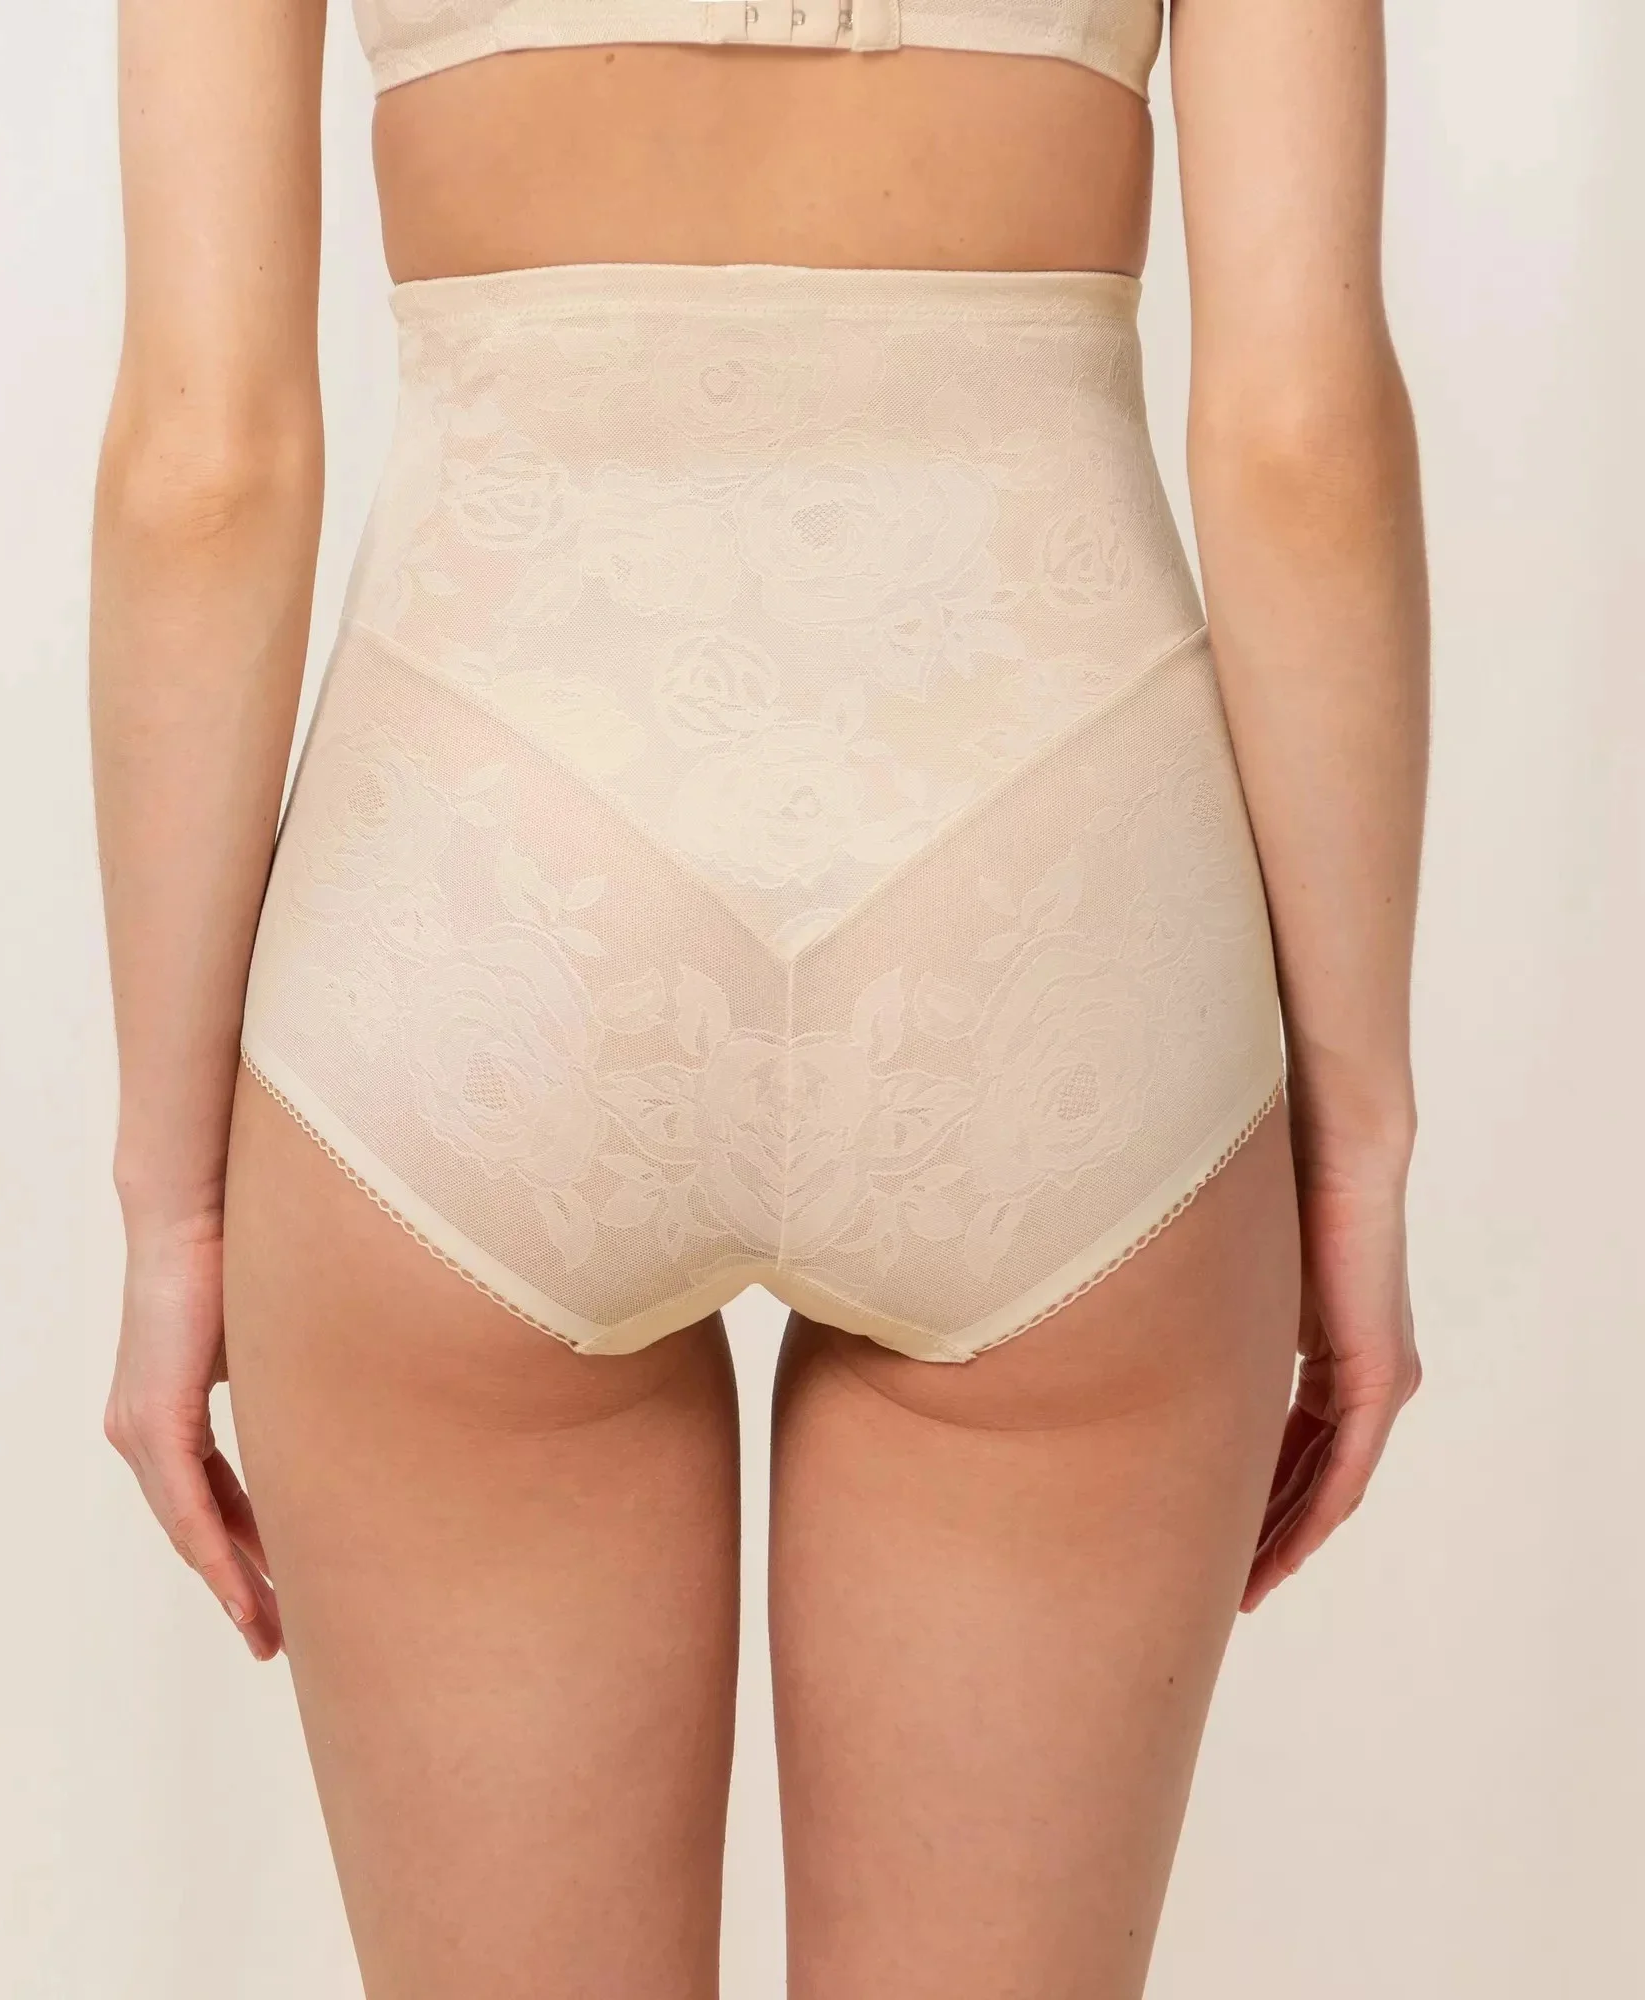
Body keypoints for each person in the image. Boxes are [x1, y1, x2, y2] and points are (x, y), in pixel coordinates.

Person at [90, 0, 1427, 1991]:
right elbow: (1300, 437)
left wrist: (173, 1200)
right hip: (1053, 902)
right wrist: (1357, 1142)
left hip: (481, 896)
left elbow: (206, 461)